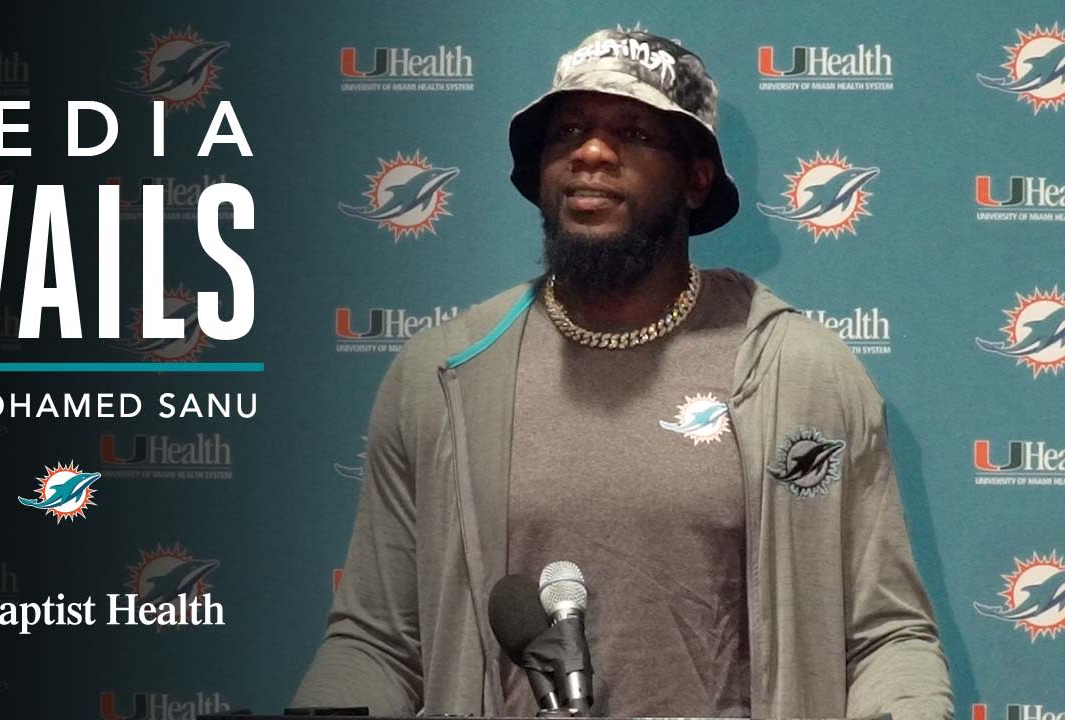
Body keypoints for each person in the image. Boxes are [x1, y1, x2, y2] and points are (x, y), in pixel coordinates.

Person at [293, 27, 953, 720]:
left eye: (633, 133)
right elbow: (378, 643)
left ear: (697, 177)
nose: (592, 153)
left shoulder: (802, 371)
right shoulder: (443, 374)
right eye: (569, 129)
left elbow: (886, 636)